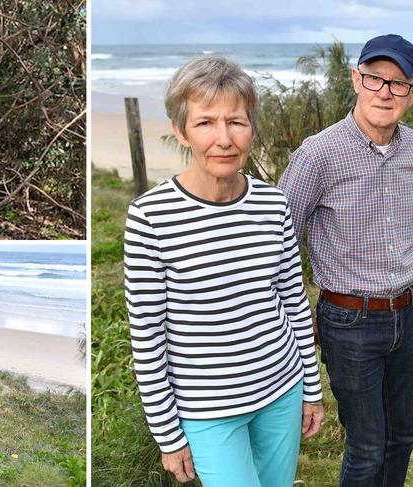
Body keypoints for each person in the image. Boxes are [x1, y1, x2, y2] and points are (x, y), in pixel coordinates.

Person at [124, 55, 324, 487]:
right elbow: (147, 335)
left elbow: (293, 301)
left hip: (281, 390)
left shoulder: (273, 204)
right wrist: (168, 435)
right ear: (181, 131)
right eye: (205, 123)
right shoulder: (150, 217)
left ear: (251, 127)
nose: (224, 138)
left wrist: (311, 389)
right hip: (207, 410)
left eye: (236, 121)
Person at [278, 34, 413, 487]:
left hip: (409, 314)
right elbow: (278, 242)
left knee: (404, 437)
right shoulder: (319, 154)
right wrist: (295, 318)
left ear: (410, 93)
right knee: (369, 442)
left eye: (398, 83)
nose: (385, 92)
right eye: (375, 78)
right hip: (349, 319)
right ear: (356, 80)